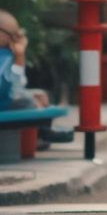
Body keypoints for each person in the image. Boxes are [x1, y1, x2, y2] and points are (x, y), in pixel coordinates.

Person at [0, 10, 71, 149]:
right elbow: (10, 85)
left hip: (5, 98)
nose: (15, 39)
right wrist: (19, 57)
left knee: (39, 95)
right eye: (13, 35)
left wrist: (19, 56)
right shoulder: (4, 57)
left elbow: (15, 85)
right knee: (29, 102)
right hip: (3, 101)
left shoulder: (5, 54)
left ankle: (40, 133)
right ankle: (42, 133)